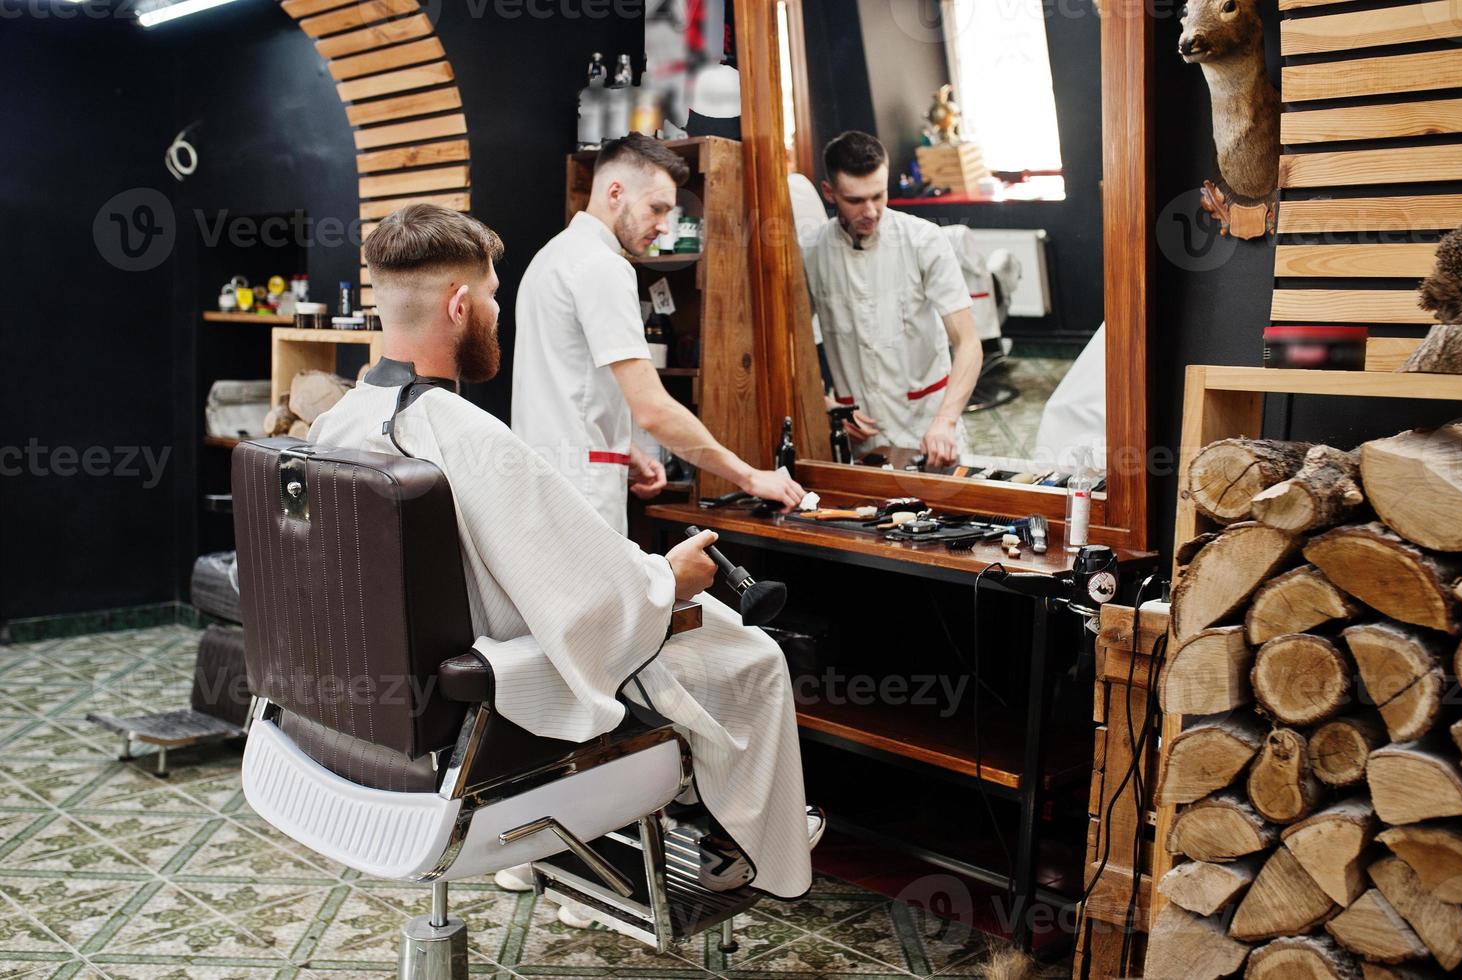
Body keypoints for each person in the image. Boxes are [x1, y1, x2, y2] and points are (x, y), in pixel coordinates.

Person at [309, 204, 821, 920]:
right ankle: (762, 851)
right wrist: (669, 578)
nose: (493, 312)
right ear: (459, 305)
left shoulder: (341, 421)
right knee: (752, 656)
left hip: (369, 712)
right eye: (490, 297)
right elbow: (591, 601)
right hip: (487, 694)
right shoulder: (462, 432)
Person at [512, 133, 804, 536]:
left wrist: (620, 448)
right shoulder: (604, 267)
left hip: (543, 484)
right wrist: (750, 477)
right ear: (616, 192)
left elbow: (562, 387)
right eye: (656, 208)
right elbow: (653, 410)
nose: (664, 227)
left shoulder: (550, 258)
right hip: (579, 493)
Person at [802, 131, 983, 467]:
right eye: (855, 200)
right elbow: (790, 346)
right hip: (862, 435)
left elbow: (969, 343)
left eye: (879, 195)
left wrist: (945, 421)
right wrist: (824, 403)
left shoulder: (923, 240)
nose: (870, 211)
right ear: (830, 193)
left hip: (928, 424)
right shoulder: (811, 252)